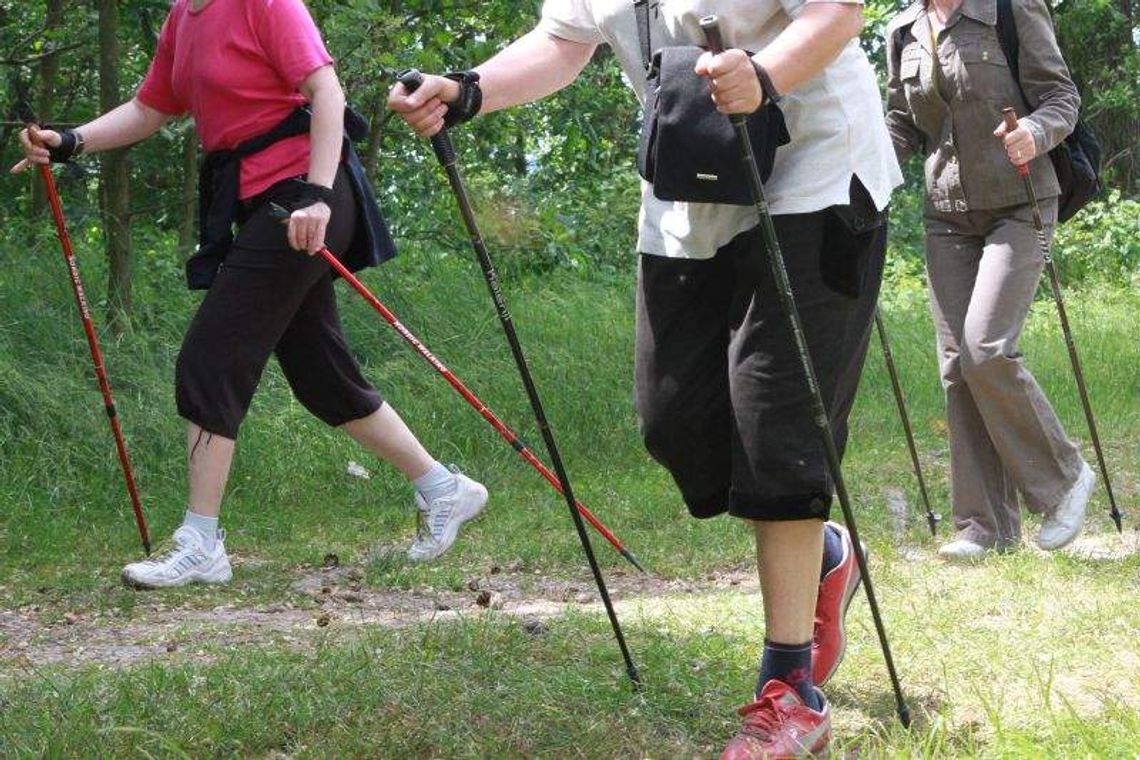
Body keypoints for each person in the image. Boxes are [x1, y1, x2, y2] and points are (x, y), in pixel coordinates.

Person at [390, 0, 901, 755]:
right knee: (674, 424)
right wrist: (467, 90)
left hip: (815, 176)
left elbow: (837, 12)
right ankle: (822, 553)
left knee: (778, 429)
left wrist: (764, 74)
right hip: (688, 182)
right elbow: (563, 42)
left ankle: (789, 686)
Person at [12, 0, 488, 588]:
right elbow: (149, 107)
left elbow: (327, 92)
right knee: (320, 371)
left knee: (210, 358)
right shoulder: (184, 18)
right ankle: (445, 488)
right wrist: (72, 141)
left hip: (304, 196)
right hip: (262, 203)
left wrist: (316, 194)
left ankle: (201, 541)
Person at [885, 0, 1093, 562]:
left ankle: (1065, 478)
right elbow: (901, 121)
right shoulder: (902, 28)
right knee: (957, 365)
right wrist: (862, 169)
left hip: (1020, 202)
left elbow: (1061, 98)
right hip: (945, 210)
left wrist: (1034, 129)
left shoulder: (1010, 8)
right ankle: (985, 528)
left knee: (986, 348)